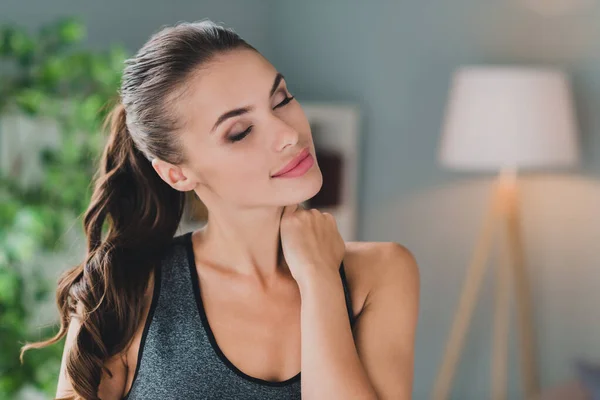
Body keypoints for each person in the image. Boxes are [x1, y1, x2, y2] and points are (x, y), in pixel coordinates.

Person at [21, 20, 420, 400]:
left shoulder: (381, 273)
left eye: (281, 100)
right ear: (177, 174)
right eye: (240, 131)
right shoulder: (124, 289)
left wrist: (319, 279)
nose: (288, 133)